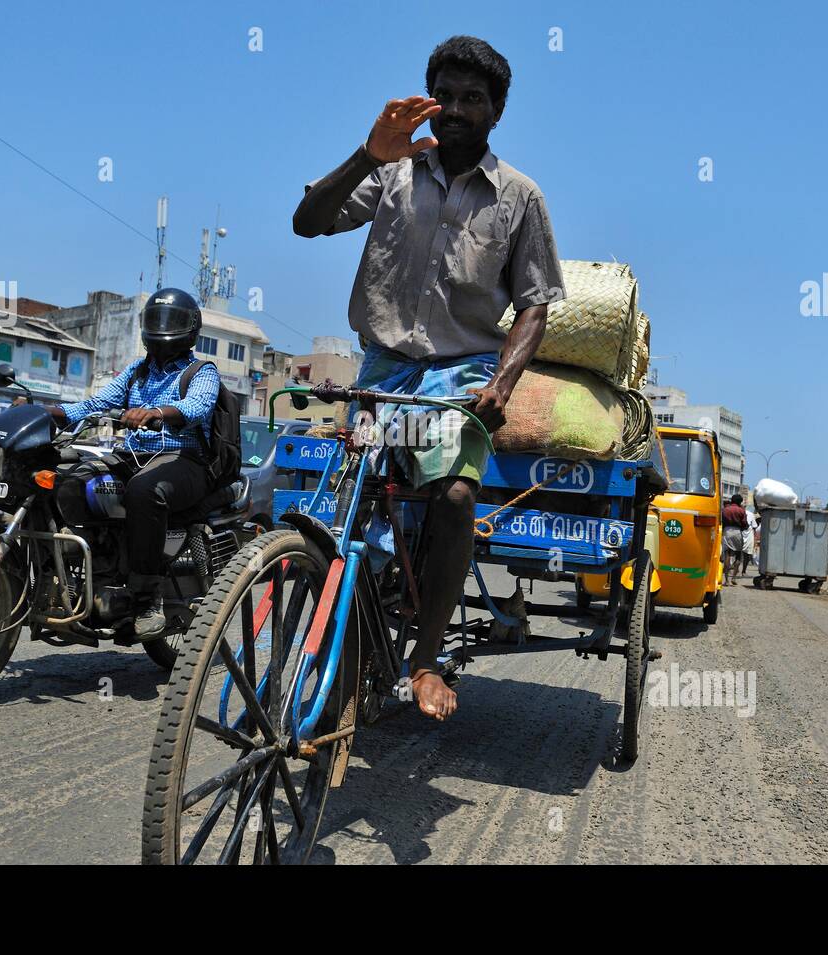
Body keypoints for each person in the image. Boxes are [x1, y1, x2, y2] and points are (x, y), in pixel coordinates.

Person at [293, 36, 563, 720]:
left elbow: (534, 303)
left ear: (496, 111)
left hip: (460, 372)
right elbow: (307, 222)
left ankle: (425, 656)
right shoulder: (393, 171)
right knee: (345, 503)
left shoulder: (519, 198)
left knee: (451, 495)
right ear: (429, 101)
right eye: (447, 95)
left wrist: (501, 385)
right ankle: (341, 634)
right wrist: (368, 152)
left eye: (475, 99)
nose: (458, 110)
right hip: (381, 371)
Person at [44, 288, 219, 638]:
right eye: (156, 320)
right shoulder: (137, 371)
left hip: (184, 460)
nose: (162, 328)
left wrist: (157, 413)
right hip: (135, 457)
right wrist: (53, 412)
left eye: (171, 321)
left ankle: (146, 597)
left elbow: (198, 406)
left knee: (144, 490)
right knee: (70, 481)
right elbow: (97, 403)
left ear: (191, 328)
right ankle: (96, 578)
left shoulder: (202, 371)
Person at [721, 493, 750, 585]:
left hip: (727, 532)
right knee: (738, 555)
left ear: (732, 500)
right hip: (737, 532)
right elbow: (745, 524)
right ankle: (734, 578)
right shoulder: (741, 511)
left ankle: (726, 580)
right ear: (740, 502)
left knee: (727, 555)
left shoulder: (725, 510)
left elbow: (721, 522)